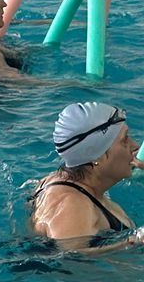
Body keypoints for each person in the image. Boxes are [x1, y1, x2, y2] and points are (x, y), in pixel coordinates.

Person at [28, 102, 144, 251]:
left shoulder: (56, 179)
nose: (134, 146)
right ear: (98, 154)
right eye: (124, 140)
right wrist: (134, 242)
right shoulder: (71, 204)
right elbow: (71, 260)